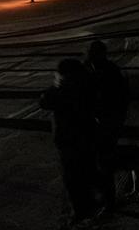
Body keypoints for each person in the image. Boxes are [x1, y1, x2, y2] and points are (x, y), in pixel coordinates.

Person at [40, 59, 98, 223]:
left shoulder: (64, 91)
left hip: (69, 139)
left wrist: (57, 84)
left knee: (73, 177)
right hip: (86, 135)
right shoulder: (87, 84)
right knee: (86, 170)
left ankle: (81, 210)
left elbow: (44, 101)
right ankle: (91, 202)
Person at [87, 41, 129, 212]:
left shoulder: (109, 71)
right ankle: (102, 197)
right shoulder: (90, 70)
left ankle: (108, 201)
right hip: (94, 124)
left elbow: (121, 98)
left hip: (106, 123)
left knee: (104, 162)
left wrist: (115, 121)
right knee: (96, 162)